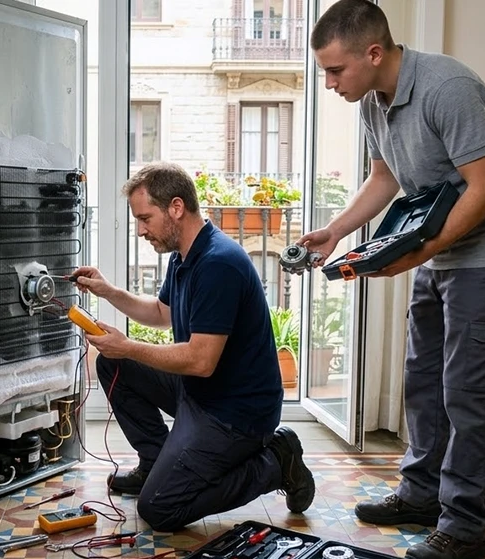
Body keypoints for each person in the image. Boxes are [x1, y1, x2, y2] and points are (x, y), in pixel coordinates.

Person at [300, 2, 485, 559]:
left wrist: (414, 257)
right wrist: (336, 231)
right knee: (424, 383)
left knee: (470, 395)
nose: (330, 83)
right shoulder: (374, 102)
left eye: (336, 71)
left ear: (374, 53)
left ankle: (463, 528)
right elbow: (384, 177)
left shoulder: (448, 87)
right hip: (440, 254)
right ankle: (422, 493)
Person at [70, 161, 315, 533]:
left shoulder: (219, 264)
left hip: (236, 414)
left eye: (145, 218)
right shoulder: (184, 255)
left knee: (159, 509)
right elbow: (161, 313)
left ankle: (277, 463)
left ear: (176, 208)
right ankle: (154, 463)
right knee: (112, 364)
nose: (140, 230)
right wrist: (108, 291)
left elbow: (201, 361)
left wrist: (128, 346)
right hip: (202, 394)